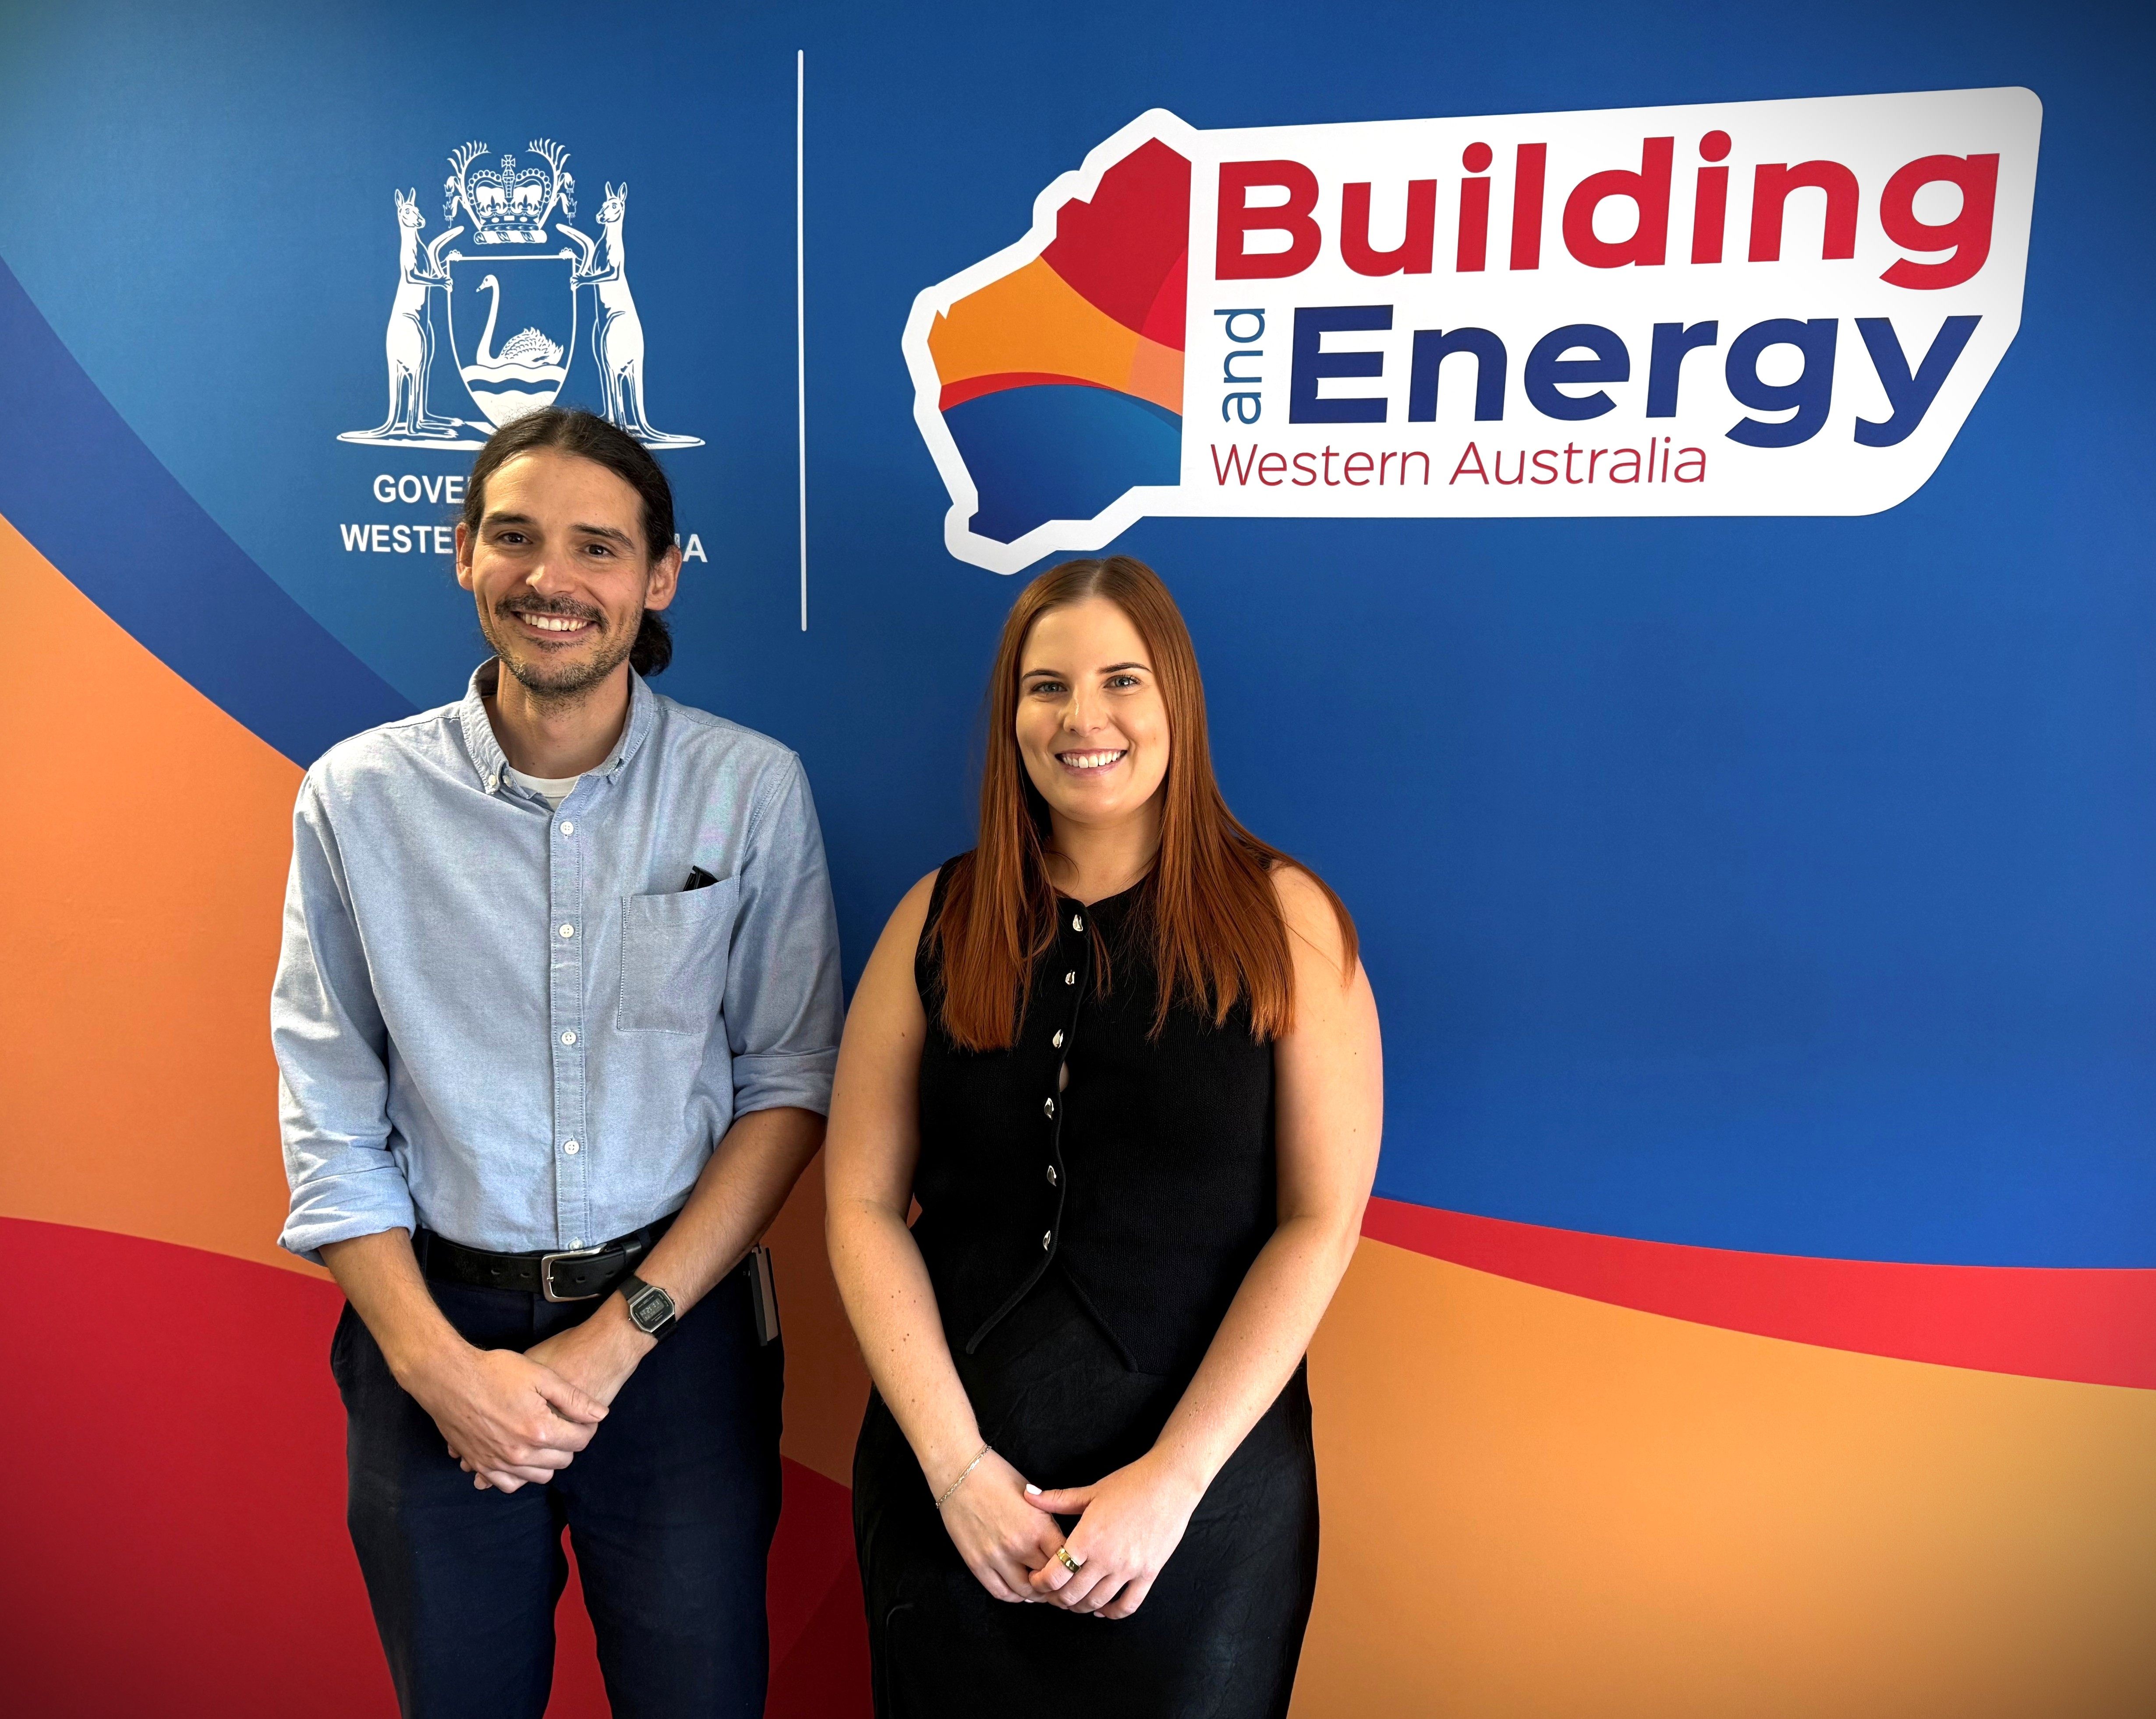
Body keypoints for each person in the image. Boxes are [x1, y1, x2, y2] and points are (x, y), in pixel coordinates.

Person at [273, 408, 842, 1719]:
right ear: (462, 552)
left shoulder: (748, 789)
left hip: (676, 1343)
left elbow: (787, 1081)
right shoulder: (356, 799)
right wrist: (438, 1370)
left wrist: (614, 1340)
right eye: (515, 537)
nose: (552, 579)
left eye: (598, 546)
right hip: (433, 1340)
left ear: (658, 579)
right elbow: (330, 1114)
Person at [826, 554, 1383, 1716]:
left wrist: (1171, 1483)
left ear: (1173, 697)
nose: (1084, 718)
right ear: (1010, 715)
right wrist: (957, 1471)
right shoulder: (936, 917)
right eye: (1046, 687)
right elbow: (860, 1204)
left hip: (1202, 1504)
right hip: (953, 1501)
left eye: (1121, 680)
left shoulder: (1286, 919)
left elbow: (1319, 1221)